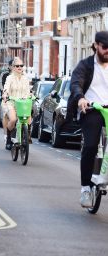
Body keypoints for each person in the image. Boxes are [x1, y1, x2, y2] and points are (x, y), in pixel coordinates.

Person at [67, 31, 108, 208]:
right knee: (90, 146)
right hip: (92, 109)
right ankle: (85, 188)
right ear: (96, 45)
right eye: (105, 47)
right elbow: (76, 83)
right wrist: (81, 98)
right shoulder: (85, 65)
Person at [2, 57, 32, 150]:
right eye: (17, 66)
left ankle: (26, 137)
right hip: (11, 102)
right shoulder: (9, 78)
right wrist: (5, 94)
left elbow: (28, 90)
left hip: (23, 103)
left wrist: (31, 95)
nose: (20, 67)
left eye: (21, 66)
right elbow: (6, 87)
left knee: (29, 120)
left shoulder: (25, 78)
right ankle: (9, 138)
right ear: (13, 67)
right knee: (13, 120)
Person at [0, 60, 13, 148]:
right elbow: (1, 84)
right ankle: (8, 139)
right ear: (10, 66)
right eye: (14, 65)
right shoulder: (4, 74)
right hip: (7, 99)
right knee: (8, 117)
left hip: (18, 99)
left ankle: (26, 135)